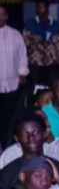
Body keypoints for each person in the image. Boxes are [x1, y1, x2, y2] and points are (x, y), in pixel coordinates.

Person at [0, 8, 28, 145]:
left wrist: (22, 75)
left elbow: (22, 54)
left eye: (3, 14)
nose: (1, 17)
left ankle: (7, 147)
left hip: (12, 85)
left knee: (9, 120)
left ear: (7, 16)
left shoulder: (15, 34)